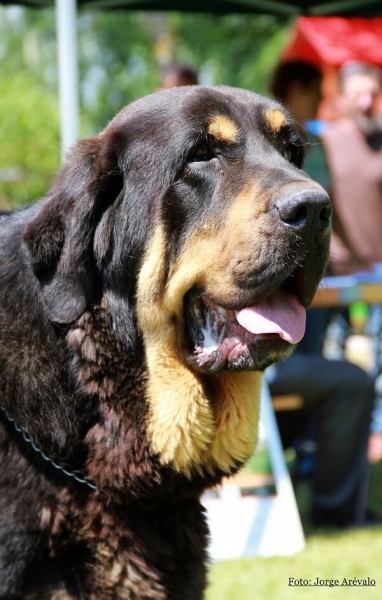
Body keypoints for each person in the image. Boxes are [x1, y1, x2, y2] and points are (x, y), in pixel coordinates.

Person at [267, 59, 375, 528]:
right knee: (349, 381)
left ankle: (307, 473)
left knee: (327, 368)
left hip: (304, 296)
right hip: (255, 361)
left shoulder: (312, 144)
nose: (319, 104)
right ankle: (333, 508)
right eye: (314, 93)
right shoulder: (280, 156)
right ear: (297, 90)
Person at [322, 62, 382, 462]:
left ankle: (373, 438)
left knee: (377, 359)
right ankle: (326, 449)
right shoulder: (322, 142)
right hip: (333, 276)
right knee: (331, 359)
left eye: (374, 93)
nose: (366, 100)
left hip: (379, 272)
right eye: (359, 92)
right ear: (342, 97)